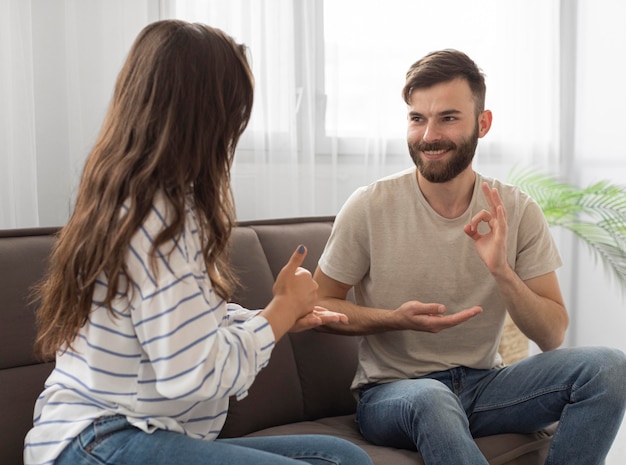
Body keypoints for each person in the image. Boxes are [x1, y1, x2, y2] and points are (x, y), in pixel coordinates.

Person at [23, 20, 373, 465]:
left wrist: (276, 316)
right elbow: (193, 374)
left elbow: (181, 322)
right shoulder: (158, 218)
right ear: (208, 114)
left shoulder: (142, 201)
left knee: (344, 458)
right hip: (99, 440)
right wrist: (280, 311)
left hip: (135, 433)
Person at [313, 49, 626, 465]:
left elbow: (552, 334)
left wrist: (502, 271)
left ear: (483, 123)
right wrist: (395, 318)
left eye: (448, 117)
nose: (428, 136)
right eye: (416, 118)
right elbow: (317, 306)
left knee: (608, 369)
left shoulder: (516, 210)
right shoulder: (370, 205)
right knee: (432, 398)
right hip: (394, 393)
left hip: (485, 386)